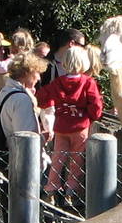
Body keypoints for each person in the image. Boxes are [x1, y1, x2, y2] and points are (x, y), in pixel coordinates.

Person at [36, 43, 103, 203]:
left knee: (58, 157)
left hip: (61, 127)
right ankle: (70, 192)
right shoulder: (88, 82)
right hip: (80, 127)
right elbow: (95, 105)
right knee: (76, 160)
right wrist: (93, 116)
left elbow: (42, 96)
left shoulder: (58, 82)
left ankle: (51, 188)